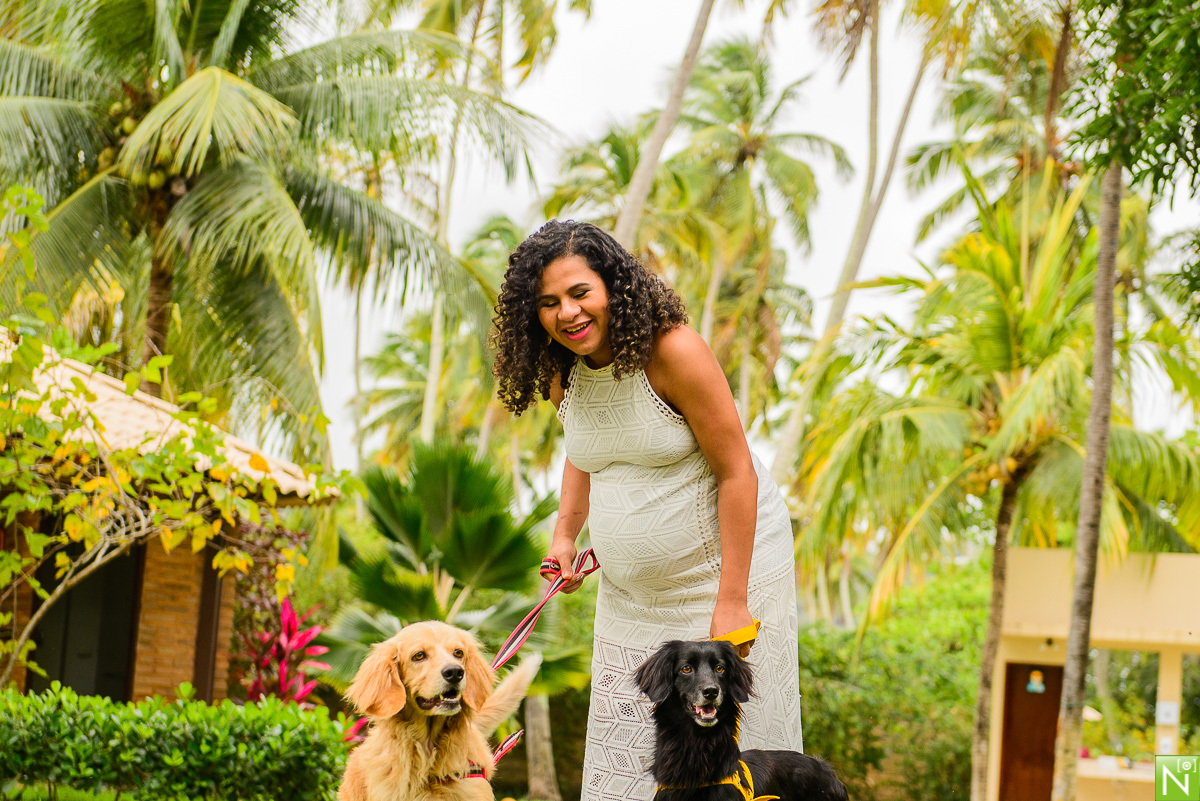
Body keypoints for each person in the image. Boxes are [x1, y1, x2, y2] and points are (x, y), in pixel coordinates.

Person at [490, 220, 802, 801]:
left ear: (613, 286)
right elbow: (584, 450)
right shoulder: (562, 372)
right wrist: (565, 536)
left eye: (580, 293)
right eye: (548, 303)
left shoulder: (672, 352)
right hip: (631, 602)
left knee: (730, 768)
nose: (568, 314)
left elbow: (737, 471)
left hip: (723, 579)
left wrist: (732, 603)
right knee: (627, 766)